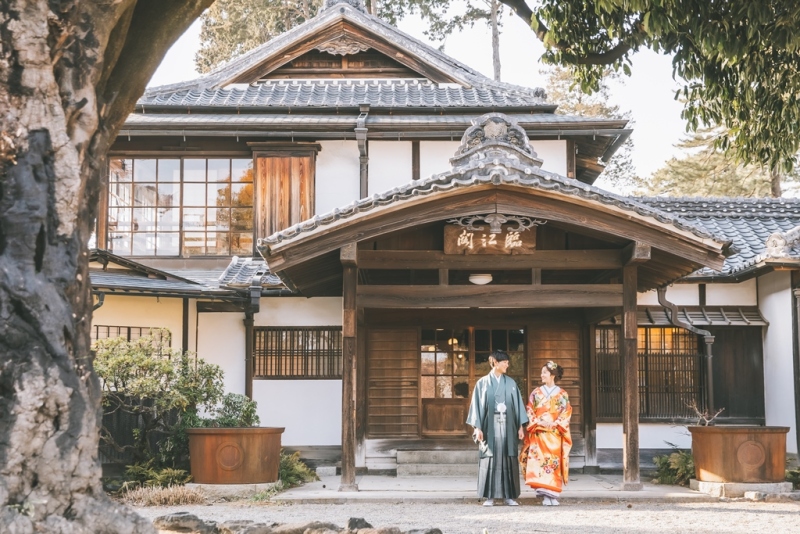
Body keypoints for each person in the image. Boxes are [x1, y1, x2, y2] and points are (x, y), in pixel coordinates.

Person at [466, 350, 528, 507]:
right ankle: (490, 497)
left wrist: (521, 426)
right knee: (490, 458)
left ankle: (509, 497)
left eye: (507, 362)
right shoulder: (482, 383)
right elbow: (476, 407)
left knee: (508, 458)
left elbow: (517, 406)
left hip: (508, 426)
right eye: (505, 362)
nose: (507, 364)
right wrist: (477, 428)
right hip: (489, 427)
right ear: (495, 362)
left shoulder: (511, 383)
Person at [520, 360, 572, 506]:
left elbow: (566, 412)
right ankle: (544, 495)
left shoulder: (562, 394)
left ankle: (553, 495)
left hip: (554, 433)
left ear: (552, 375)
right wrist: (538, 422)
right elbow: (529, 409)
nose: (541, 375)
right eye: (542, 372)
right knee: (540, 463)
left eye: (544, 372)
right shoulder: (536, 392)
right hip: (539, 433)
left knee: (553, 463)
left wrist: (555, 423)